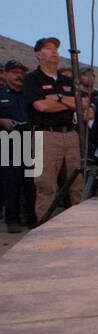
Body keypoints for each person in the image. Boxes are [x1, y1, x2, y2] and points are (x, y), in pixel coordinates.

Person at [22, 37, 92, 221]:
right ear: (38, 54)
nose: (54, 51)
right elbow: (41, 106)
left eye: (56, 48)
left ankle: (79, 222)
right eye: (48, 48)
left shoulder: (66, 80)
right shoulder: (32, 79)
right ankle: (46, 225)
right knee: (45, 185)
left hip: (70, 134)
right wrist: (70, 104)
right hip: (44, 136)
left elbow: (84, 104)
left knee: (77, 183)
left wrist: (58, 98)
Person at [0, 60, 36, 232]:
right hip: (9, 140)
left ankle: (31, 218)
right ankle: (12, 220)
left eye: (21, 72)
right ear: (5, 74)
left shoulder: (29, 94)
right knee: (11, 182)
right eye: (14, 72)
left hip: (32, 138)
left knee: (32, 181)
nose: (19, 76)